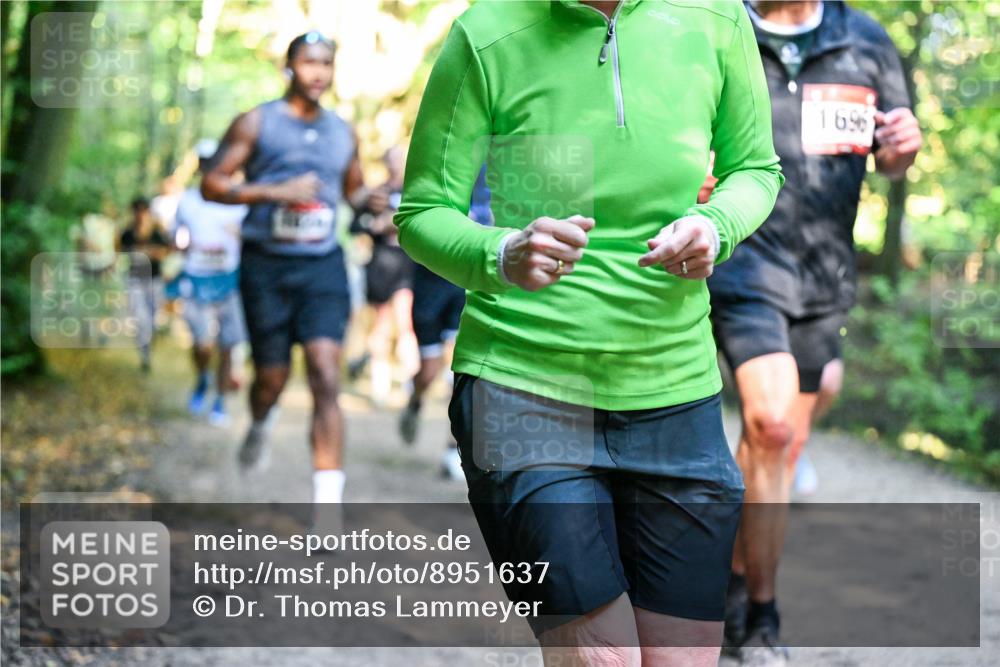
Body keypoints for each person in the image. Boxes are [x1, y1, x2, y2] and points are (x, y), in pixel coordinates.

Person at [395, 1, 783, 664]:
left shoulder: (716, 19)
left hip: (675, 389)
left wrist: (716, 225)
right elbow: (424, 210)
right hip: (523, 388)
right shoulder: (486, 34)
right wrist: (501, 253)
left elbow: (756, 168)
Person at [703, 2, 922, 664]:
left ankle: (737, 590)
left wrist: (902, 149)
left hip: (825, 271)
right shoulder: (718, 28)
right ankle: (762, 618)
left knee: (781, 443)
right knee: (770, 426)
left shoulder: (865, 40)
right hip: (744, 255)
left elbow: (892, 157)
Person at [202, 31, 373, 533]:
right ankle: (260, 420)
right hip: (266, 267)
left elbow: (355, 191)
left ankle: (327, 507)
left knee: (325, 372)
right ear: (289, 67)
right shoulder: (257, 121)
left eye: (326, 63)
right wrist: (275, 190)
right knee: (271, 380)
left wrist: (375, 203)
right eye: (308, 62)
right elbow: (212, 184)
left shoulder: (344, 131)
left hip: (322, 265)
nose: (318, 71)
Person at [398, 165, 493, 481]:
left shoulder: (501, 173)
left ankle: (454, 450)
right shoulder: (439, 172)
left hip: (465, 287)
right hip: (429, 290)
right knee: (430, 370)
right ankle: (415, 401)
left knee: (463, 375)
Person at [174, 139, 249, 426]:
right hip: (196, 279)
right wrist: (186, 247)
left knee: (228, 344)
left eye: (215, 161)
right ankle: (202, 378)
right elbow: (176, 236)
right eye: (205, 162)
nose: (210, 167)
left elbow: (250, 237)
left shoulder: (238, 200)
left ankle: (220, 400)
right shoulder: (188, 200)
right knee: (203, 343)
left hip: (230, 279)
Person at [347, 145, 419, 407]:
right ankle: (380, 385)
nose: (395, 164)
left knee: (405, 322)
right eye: (391, 160)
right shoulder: (377, 193)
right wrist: (374, 224)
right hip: (380, 266)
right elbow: (355, 225)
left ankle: (411, 383)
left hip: (408, 266)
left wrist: (396, 222)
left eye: (399, 159)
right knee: (380, 324)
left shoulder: (416, 191)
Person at [119, 197, 170, 372]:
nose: (140, 214)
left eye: (143, 210)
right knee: (141, 319)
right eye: (137, 210)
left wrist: (151, 252)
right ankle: (145, 354)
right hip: (135, 281)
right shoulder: (127, 232)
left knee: (153, 319)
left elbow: (166, 251)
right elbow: (119, 251)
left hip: (154, 280)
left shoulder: (157, 231)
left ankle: (148, 346)